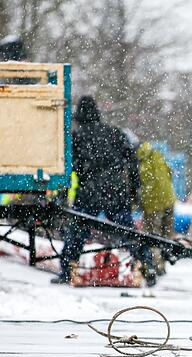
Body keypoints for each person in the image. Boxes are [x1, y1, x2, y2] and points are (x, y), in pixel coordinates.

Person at [51, 96, 143, 285]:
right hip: (115, 191)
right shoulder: (115, 133)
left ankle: (68, 270)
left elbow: (67, 168)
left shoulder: (77, 137)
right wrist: (134, 189)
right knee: (128, 230)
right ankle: (146, 264)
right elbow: (133, 162)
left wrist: (61, 194)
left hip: (88, 192)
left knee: (77, 231)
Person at [137, 142, 177, 279]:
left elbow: (144, 185)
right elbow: (170, 173)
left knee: (151, 236)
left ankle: (153, 265)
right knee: (166, 235)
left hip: (153, 204)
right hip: (169, 199)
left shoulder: (141, 164)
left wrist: (139, 202)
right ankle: (163, 264)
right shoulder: (158, 156)